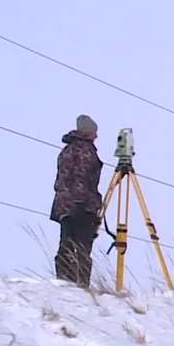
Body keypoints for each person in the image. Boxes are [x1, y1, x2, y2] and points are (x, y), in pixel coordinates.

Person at [50, 115, 104, 287]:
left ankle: (64, 280)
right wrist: (87, 205)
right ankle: (79, 284)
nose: (96, 136)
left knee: (66, 243)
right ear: (88, 132)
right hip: (80, 206)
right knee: (81, 247)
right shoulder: (85, 150)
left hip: (64, 205)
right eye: (95, 132)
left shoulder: (67, 150)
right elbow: (81, 178)